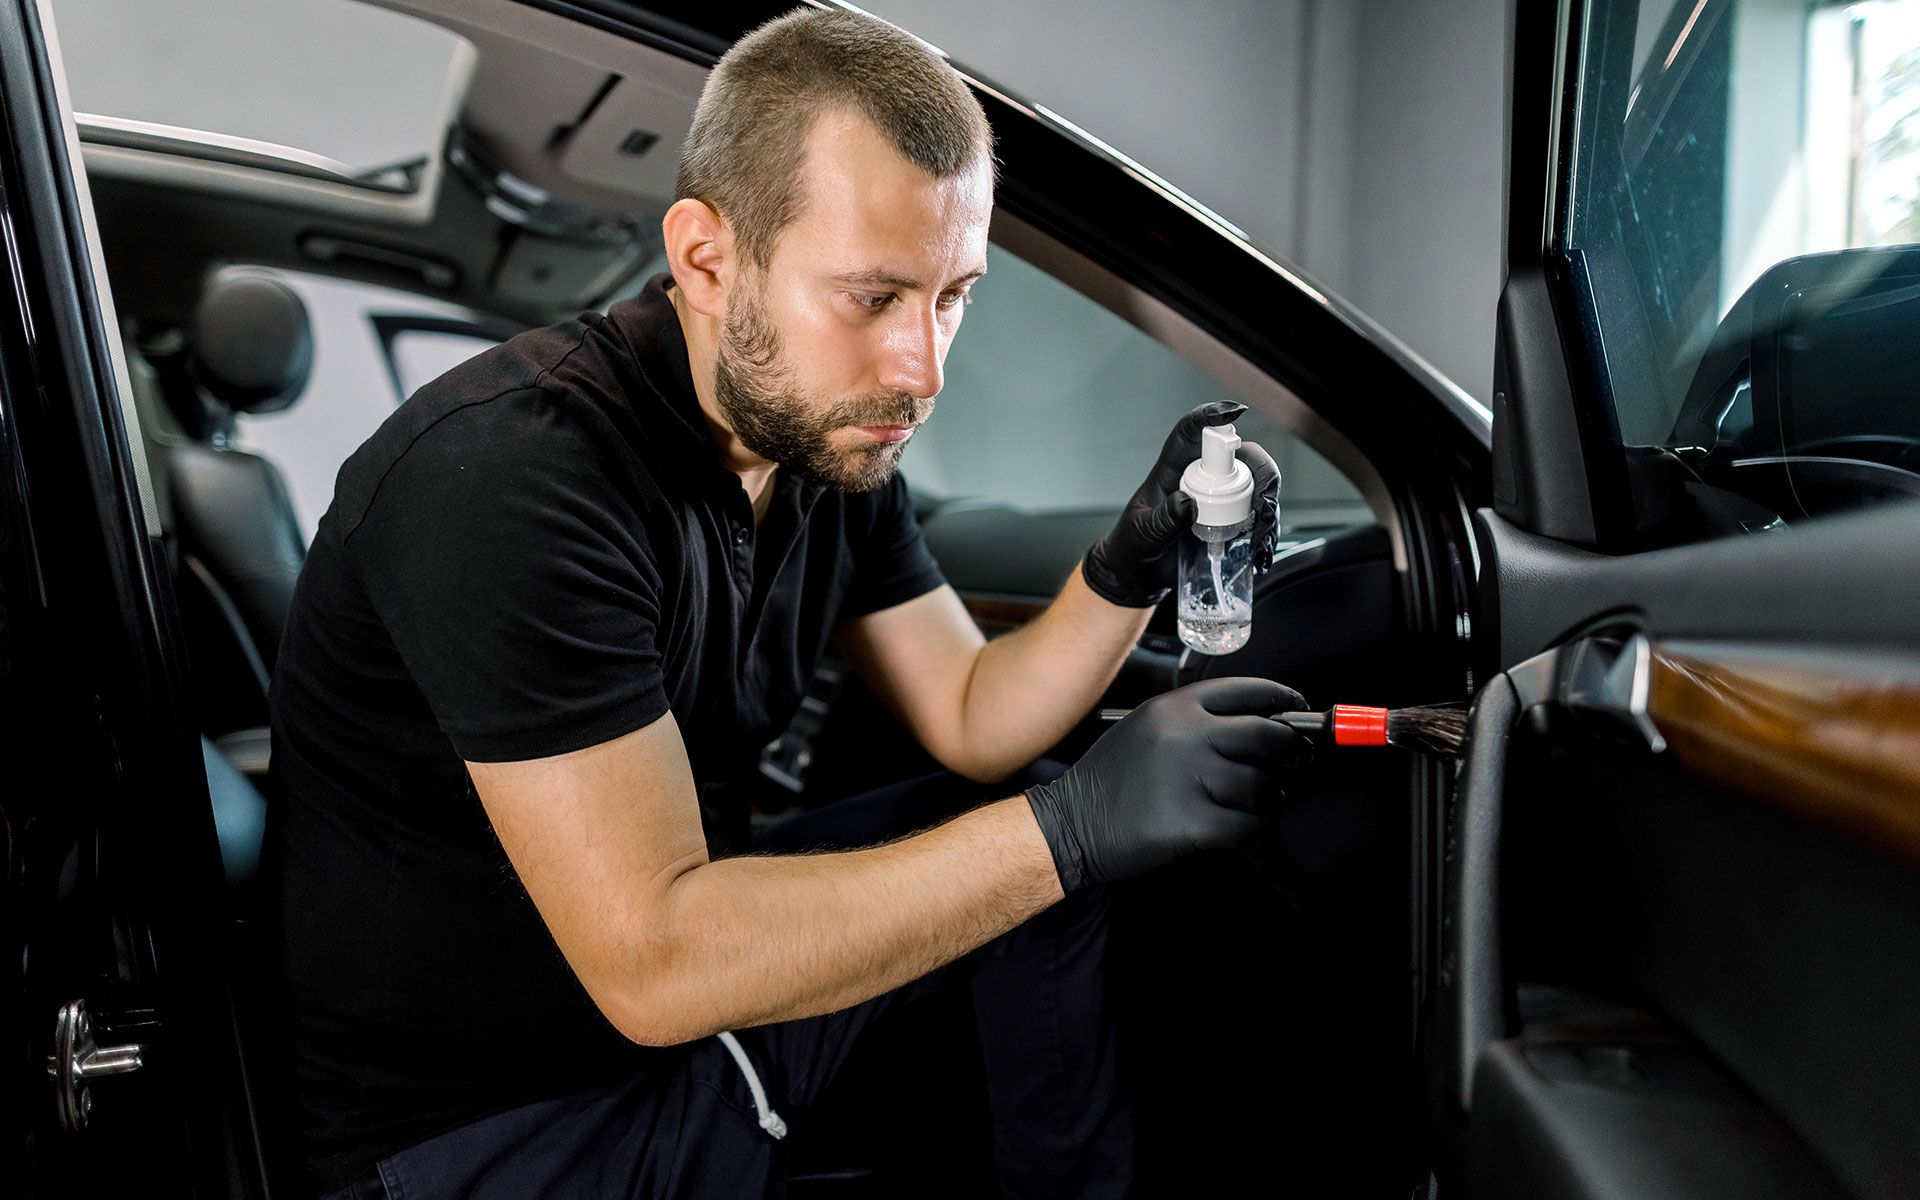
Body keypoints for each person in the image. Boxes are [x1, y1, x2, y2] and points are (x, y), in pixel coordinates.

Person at [265, 8, 1298, 1199]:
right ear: (708, 259)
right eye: (871, 298)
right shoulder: (513, 477)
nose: (923, 367)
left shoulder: (822, 444)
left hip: (665, 1029)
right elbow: (656, 963)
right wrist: (1069, 837)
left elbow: (973, 712)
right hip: (487, 1132)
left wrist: (1132, 560)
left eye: (952, 294)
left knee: (1031, 827)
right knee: (1044, 844)